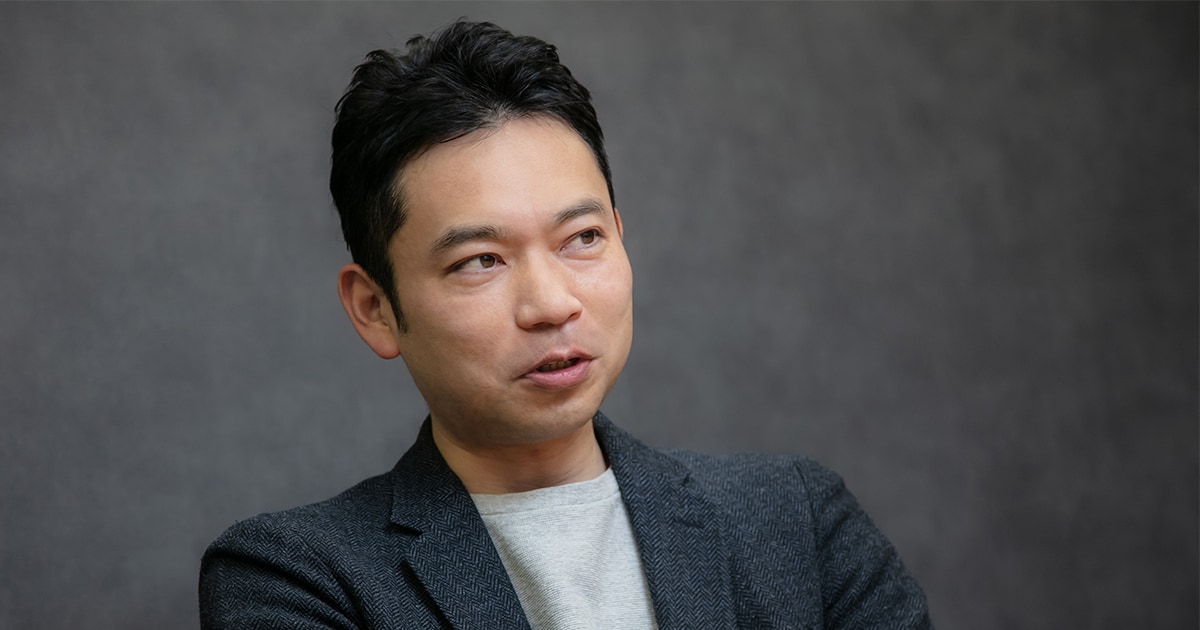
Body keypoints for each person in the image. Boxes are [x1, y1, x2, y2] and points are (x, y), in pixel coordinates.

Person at [199, 20, 933, 629]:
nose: (552, 303)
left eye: (582, 238)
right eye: (481, 260)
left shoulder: (795, 522)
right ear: (376, 308)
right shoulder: (295, 578)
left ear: (620, 236)